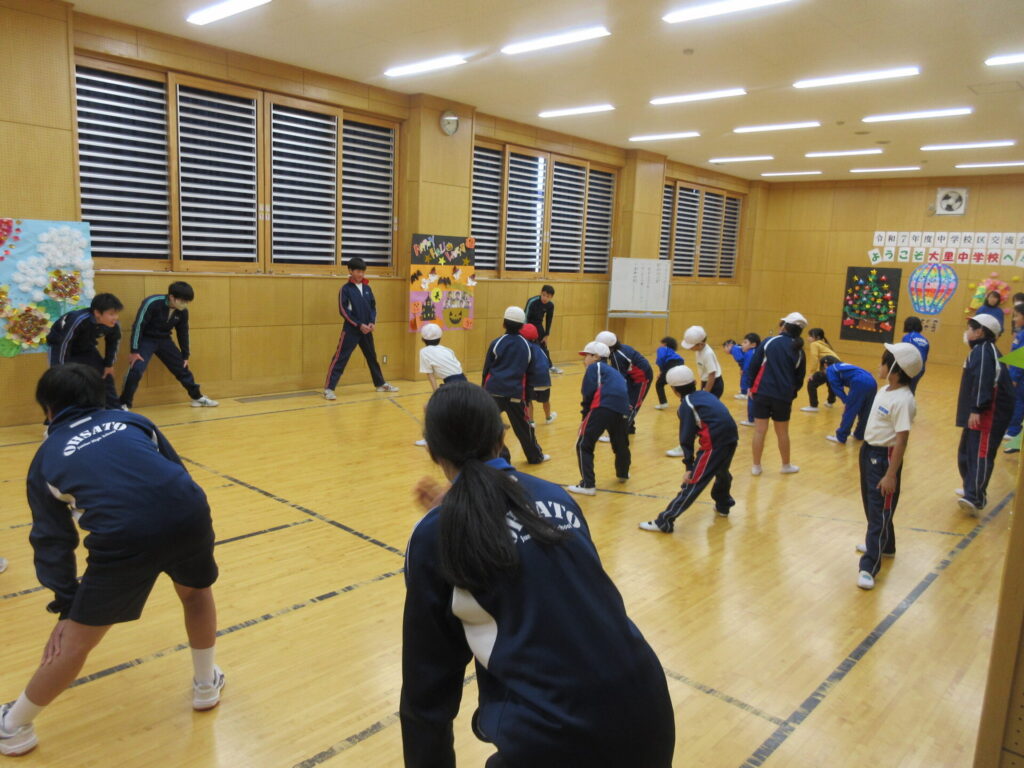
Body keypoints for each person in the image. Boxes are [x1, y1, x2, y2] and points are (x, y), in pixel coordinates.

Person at [400, 383, 675, 768]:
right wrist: (461, 512)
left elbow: (427, 693)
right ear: (502, 437)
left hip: (560, 737)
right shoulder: (557, 496)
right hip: (649, 712)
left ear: (432, 450)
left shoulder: (436, 536)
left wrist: (450, 521)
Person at [0, 364, 223, 757]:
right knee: (195, 593)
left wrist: (67, 606)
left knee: (76, 641)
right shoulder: (135, 421)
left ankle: (12, 726)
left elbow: (52, 541)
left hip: (124, 537)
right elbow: (176, 470)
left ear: (48, 409)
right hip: (188, 512)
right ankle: (206, 686)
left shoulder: (46, 458)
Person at [855, 343, 923, 590]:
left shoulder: (904, 400)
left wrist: (890, 474)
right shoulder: (885, 390)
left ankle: (869, 566)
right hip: (868, 451)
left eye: (883, 361)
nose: (879, 365)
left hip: (884, 458)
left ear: (895, 368)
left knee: (880, 510)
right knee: (872, 505)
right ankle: (886, 545)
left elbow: (901, 440)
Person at [639, 365, 738, 533]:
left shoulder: (686, 405)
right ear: (694, 382)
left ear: (674, 390)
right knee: (722, 472)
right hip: (731, 437)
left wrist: (689, 467)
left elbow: (686, 438)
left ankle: (665, 521)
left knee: (694, 482)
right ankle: (723, 504)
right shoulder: (706, 395)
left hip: (714, 444)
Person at [119, 281, 218, 409]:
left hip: (164, 340)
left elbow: (183, 332)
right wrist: (134, 350)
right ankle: (123, 403)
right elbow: (138, 326)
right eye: (182, 301)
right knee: (136, 369)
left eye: (187, 302)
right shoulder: (152, 303)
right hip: (146, 340)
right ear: (171, 297)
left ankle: (197, 397)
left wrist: (185, 355)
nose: (185, 304)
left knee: (182, 368)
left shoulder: (183, 311)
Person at [956, 313, 1014, 515]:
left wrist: (977, 409)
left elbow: (983, 380)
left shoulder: (984, 352)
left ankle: (975, 497)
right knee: (966, 451)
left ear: (980, 331)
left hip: (989, 413)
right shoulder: (979, 351)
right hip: (980, 411)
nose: (967, 332)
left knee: (980, 453)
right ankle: (970, 487)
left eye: (970, 328)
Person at [324, 257, 399, 400]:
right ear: (350, 271)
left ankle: (380, 384)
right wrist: (359, 325)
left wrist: (372, 322)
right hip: (351, 330)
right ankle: (329, 389)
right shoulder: (345, 289)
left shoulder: (367, 288)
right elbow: (343, 311)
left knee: (372, 357)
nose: (361, 274)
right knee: (340, 358)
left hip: (367, 330)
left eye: (363, 271)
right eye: (358, 271)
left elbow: (373, 307)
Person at [482, 307, 547, 464]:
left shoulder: (496, 343)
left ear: (503, 323)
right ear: (522, 326)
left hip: (493, 392)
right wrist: (528, 397)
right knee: (524, 428)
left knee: (488, 427)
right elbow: (530, 374)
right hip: (515, 395)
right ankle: (535, 457)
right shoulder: (527, 346)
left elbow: (486, 370)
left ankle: (500, 456)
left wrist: (484, 393)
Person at [568, 341, 631, 496]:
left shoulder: (594, 368)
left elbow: (588, 392)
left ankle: (588, 485)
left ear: (596, 357)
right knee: (621, 443)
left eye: (586, 356)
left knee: (584, 444)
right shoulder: (614, 372)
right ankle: (623, 473)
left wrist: (584, 418)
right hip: (622, 408)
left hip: (602, 406)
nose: (584, 360)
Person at [748, 312, 807, 476]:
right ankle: (785, 465)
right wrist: (791, 394)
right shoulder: (799, 350)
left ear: (784, 326)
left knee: (759, 430)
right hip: (783, 396)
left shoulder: (769, 341)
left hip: (762, 392)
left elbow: (754, 365)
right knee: (782, 432)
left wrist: (750, 387)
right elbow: (799, 378)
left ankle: (756, 466)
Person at [46, 293, 123, 409]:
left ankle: (115, 411)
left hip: (86, 347)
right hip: (60, 346)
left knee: (105, 376)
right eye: (111, 314)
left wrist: (108, 365)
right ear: (97, 313)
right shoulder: (78, 319)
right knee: (61, 381)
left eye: (117, 313)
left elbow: (113, 343)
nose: (115, 318)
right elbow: (64, 344)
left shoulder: (114, 325)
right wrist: (62, 369)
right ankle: (58, 416)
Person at [414, 323, 466, 447]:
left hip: (452, 384)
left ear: (422, 339)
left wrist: (436, 392)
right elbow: (457, 368)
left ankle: (430, 439)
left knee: (428, 408)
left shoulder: (424, 352)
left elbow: (429, 374)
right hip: (463, 382)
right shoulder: (447, 349)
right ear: (440, 337)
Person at [596, 331, 653, 436]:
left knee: (632, 405)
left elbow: (619, 379)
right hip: (631, 376)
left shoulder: (617, 357)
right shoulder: (618, 350)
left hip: (642, 378)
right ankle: (629, 428)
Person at [822, 357, 878, 445]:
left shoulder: (830, 369)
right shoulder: (842, 365)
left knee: (850, 411)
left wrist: (846, 400)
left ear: (825, 365)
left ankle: (841, 437)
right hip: (872, 381)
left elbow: (836, 386)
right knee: (865, 411)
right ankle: (859, 434)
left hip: (860, 382)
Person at [521, 323, 555, 426]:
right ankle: (548, 417)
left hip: (532, 380)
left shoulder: (525, 348)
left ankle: (531, 421)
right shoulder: (541, 349)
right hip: (545, 380)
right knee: (546, 400)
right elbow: (549, 364)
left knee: (528, 400)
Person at [800, 328, 839, 412]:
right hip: (837, 365)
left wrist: (812, 373)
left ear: (817, 337)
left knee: (811, 382)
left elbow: (814, 358)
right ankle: (830, 402)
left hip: (829, 364)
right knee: (830, 381)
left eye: (810, 336)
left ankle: (813, 406)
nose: (808, 338)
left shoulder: (814, 344)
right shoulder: (824, 344)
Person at [524, 285, 560, 373]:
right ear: (541, 293)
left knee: (543, 345)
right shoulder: (532, 301)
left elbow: (549, 319)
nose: (545, 298)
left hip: (538, 324)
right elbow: (525, 315)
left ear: (551, 297)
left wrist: (546, 334)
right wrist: (524, 330)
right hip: (528, 324)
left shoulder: (550, 305)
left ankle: (549, 366)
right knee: (526, 346)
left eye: (548, 296)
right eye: (543, 295)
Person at [1004, 304, 1024, 454]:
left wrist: (1014, 377)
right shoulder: (1021, 333)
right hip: (1017, 374)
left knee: (1018, 402)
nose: (1014, 319)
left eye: (1017, 315)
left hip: (1020, 377)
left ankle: (1013, 431)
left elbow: (1020, 358)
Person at [653, 336, 685, 410]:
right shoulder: (672, 351)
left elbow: (660, 359)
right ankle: (685, 400)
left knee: (659, 384)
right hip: (681, 364)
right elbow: (680, 360)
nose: (660, 345)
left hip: (671, 364)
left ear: (665, 344)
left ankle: (663, 403)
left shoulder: (662, 349)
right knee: (675, 384)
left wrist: (661, 371)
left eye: (661, 343)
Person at [901, 316, 930, 394]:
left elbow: (904, 353)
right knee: (911, 391)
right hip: (920, 369)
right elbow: (925, 357)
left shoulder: (908, 337)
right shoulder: (925, 340)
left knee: (903, 391)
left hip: (910, 368)